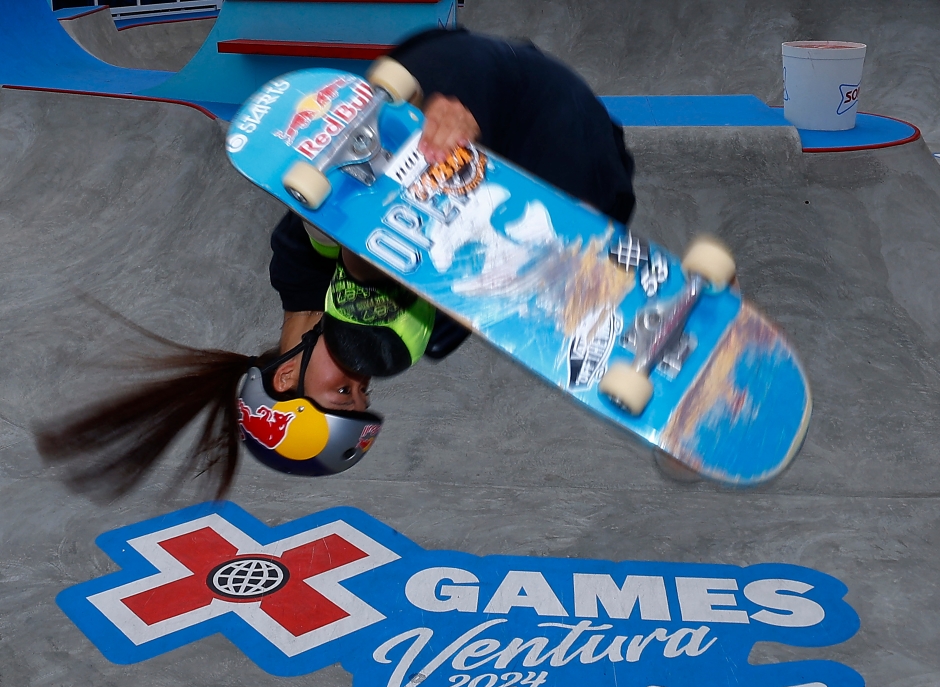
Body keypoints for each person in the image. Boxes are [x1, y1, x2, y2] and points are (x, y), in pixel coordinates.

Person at [35, 27, 637, 499]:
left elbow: (466, 61)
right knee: (408, 312)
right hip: (591, 175)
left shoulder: (296, 260)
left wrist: (446, 100)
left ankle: (376, 186)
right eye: (363, 392)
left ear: (286, 380)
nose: (362, 380)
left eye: (343, 390)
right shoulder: (401, 334)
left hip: (512, 95)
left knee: (342, 246)